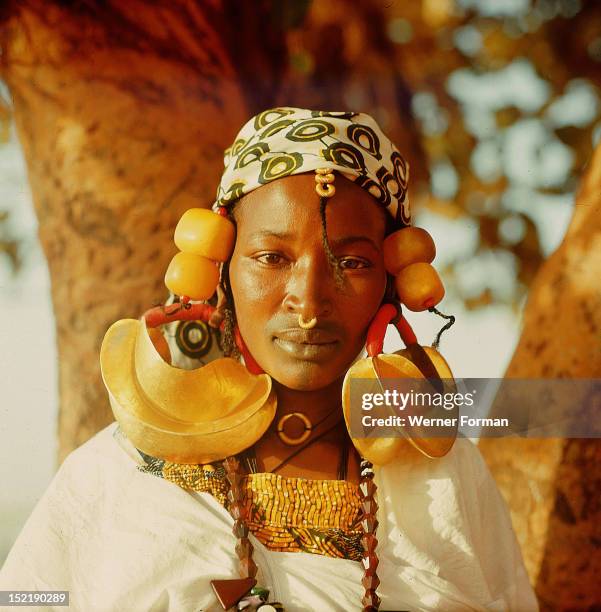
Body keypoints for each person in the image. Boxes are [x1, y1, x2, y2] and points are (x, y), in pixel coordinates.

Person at [0, 108, 538, 611]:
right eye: (272, 258)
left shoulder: (440, 470)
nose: (308, 297)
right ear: (221, 268)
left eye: (350, 261)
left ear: (393, 280)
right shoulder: (118, 471)